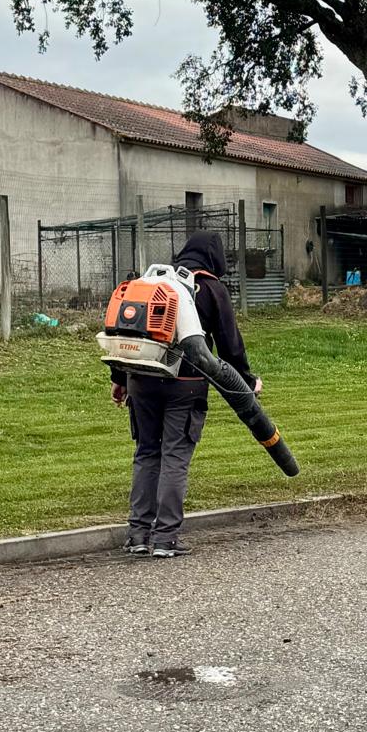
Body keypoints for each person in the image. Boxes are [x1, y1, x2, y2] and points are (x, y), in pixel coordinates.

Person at [110, 230, 261, 558]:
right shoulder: (209, 287)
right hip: (186, 384)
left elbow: (126, 331)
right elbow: (229, 346)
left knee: (147, 453)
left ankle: (137, 534)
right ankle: (165, 538)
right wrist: (247, 383)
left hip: (141, 378)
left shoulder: (154, 281)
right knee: (175, 456)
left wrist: (120, 378)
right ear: (214, 257)